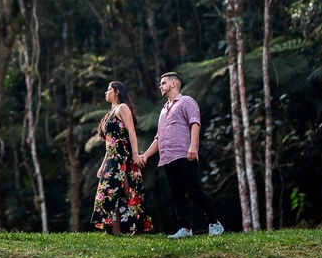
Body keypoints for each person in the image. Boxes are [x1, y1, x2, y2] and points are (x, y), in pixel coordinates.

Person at [138, 72, 224, 239]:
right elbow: (159, 137)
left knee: (193, 189)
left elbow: (195, 123)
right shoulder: (163, 110)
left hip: (185, 154)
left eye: (163, 83)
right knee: (176, 193)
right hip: (167, 157)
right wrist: (146, 155)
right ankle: (184, 228)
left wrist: (193, 147)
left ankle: (215, 223)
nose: (160, 86)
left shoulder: (186, 101)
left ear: (174, 84)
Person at [91, 81, 154, 235]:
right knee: (110, 192)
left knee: (127, 190)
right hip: (111, 158)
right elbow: (109, 143)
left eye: (108, 90)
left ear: (117, 92)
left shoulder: (122, 108)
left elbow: (131, 131)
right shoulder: (109, 114)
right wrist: (102, 164)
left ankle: (137, 227)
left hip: (122, 157)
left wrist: (135, 154)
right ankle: (113, 231)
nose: (105, 93)